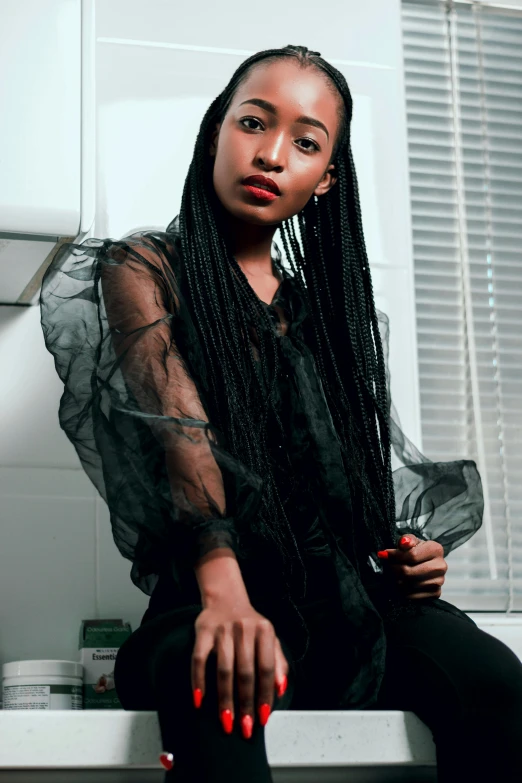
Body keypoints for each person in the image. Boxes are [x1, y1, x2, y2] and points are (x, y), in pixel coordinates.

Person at [39, 44, 522, 782]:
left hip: (347, 610)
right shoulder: (144, 269)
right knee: (216, 684)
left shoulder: (323, 314)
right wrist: (223, 594)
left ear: (326, 178)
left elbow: (344, 485)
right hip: (212, 590)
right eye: (253, 123)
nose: (271, 154)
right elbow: (179, 430)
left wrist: (406, 556)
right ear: (214, 134)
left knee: (494, 683)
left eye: (305, 142)